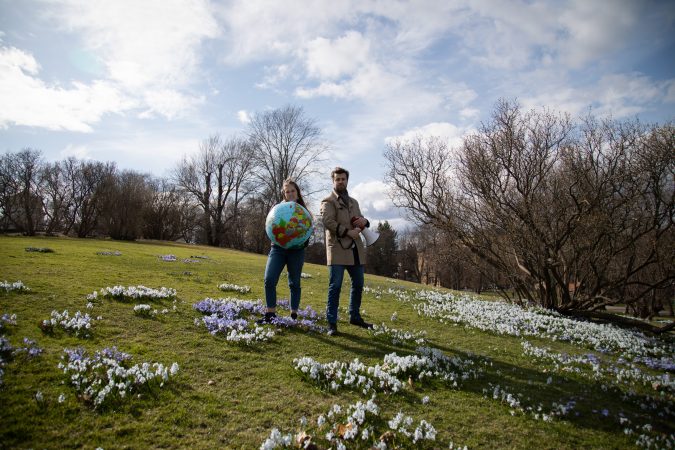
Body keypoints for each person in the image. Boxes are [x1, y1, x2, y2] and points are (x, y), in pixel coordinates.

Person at [321, 167, 373, 336]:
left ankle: (355, 316)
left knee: (358, 284)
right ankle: (331, 323)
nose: (341, 181)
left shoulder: (354, 202)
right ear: (333, 181)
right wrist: (347, 232)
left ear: (347, 180)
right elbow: (327, 221)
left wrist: (365, 221)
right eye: (338, 179)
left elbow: (359, 218)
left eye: (343, 179)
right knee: (335, 286)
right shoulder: (327, 201)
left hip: (355, 249)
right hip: (337, 248)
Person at [258, 179, 309, 324]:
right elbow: (270, 226)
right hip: (278, 249)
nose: (290, 193)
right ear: (284, 194)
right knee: (269, 279)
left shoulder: (303, 211)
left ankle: (293, 315)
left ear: (298, 193)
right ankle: (270, 314)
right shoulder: (278, 210)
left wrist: (301, 239)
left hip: (297, 251)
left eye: (293, 191)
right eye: (287, 191)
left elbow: (307, 232)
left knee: (294, 283)